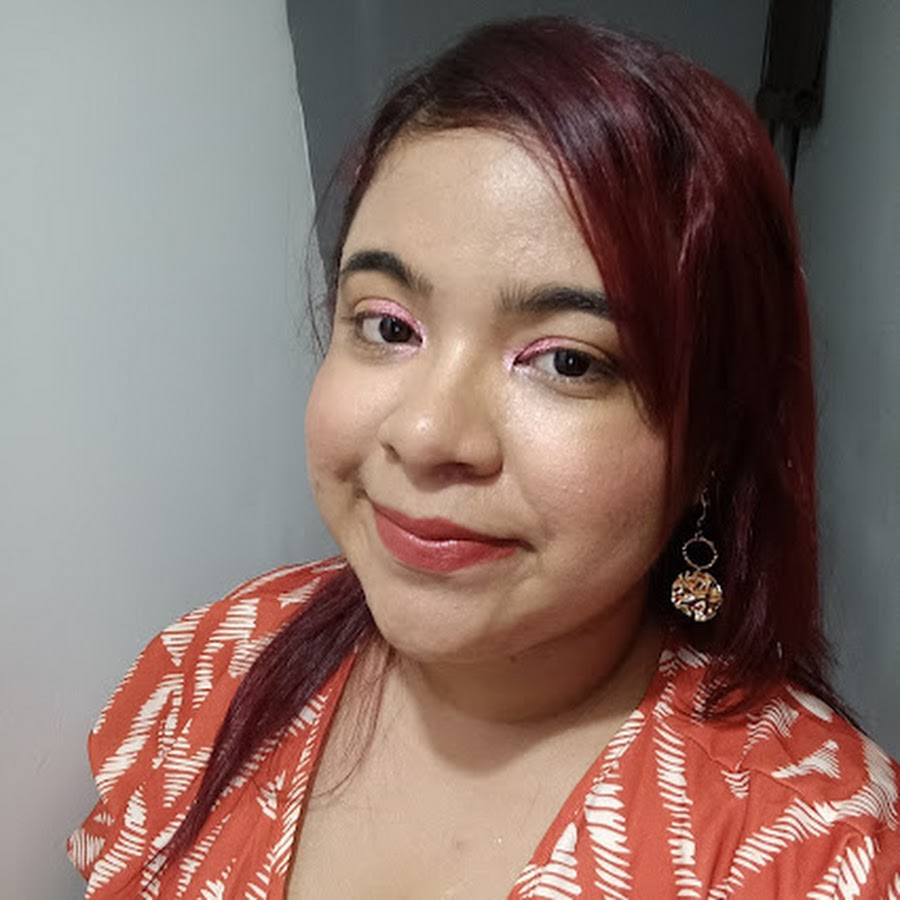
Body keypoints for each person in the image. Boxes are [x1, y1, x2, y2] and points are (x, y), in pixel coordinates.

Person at [68, 16, 899, 898]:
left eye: (568, 361)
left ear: (709, 445)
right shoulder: (210, 670)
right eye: (389, 327)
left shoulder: (819, 853)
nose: (427, 435)